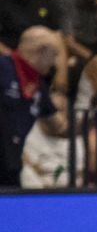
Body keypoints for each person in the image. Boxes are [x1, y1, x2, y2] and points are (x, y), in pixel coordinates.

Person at [0, 26, 58, 189]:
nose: (54, 63)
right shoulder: (3, 67)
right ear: (42, 50)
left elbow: (56, 124)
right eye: (53, 55)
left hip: (12, 164)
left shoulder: (39, 84)